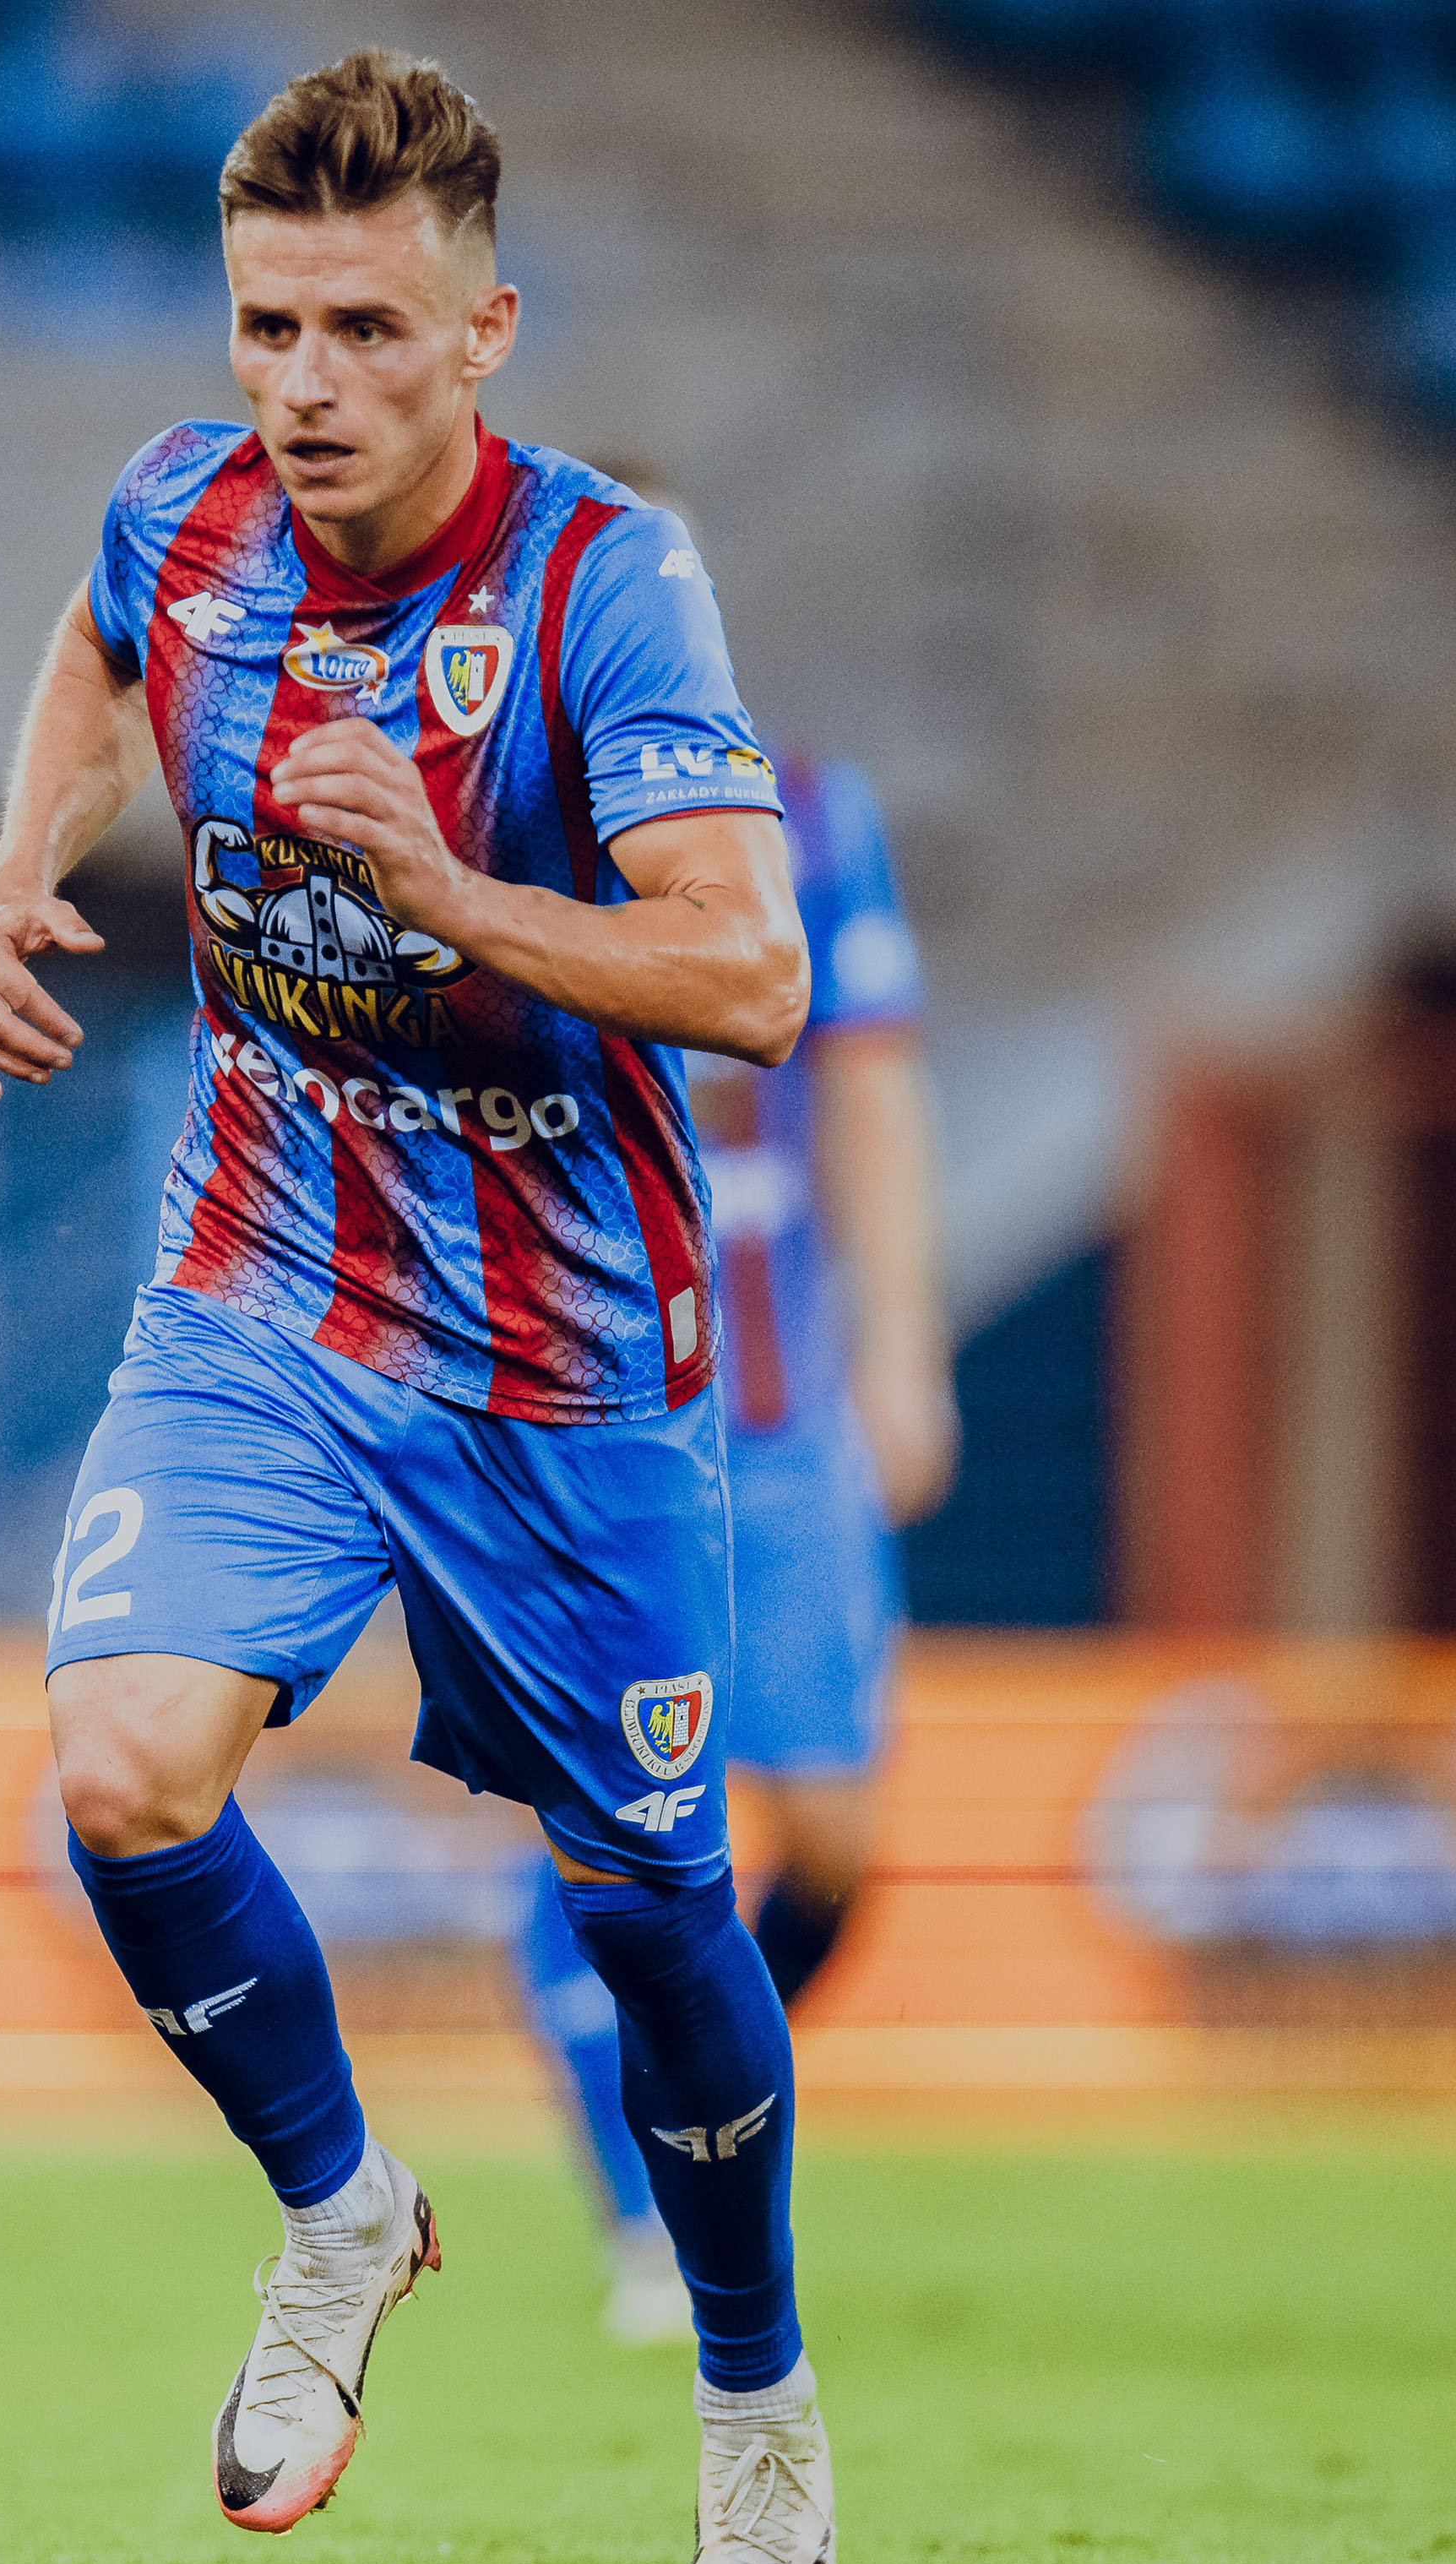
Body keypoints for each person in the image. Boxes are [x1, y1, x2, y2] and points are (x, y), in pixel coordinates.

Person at [0, 51, 837, 2564]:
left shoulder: (599, 586)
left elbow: (752, 977)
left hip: (564, 1366)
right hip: (262, 1294)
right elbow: (96, 643)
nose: (303, 385)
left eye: (361, 329)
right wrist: (14, 872)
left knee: (654, 1913)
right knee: (122, 1768)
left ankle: (753, 2399)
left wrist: (444, 894)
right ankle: (341, 2210)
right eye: (265, 326)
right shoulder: (182, 511)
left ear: (483, 334)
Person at [512, 752, 953, 2346]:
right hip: (579, 1410)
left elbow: (872, 1079)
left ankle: (688, 2084)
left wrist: (902, 1345)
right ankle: (652, 2202)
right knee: (603, 1819)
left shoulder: (815, 815)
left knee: (833, 1838)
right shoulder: (487, 804)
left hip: (777, 1417)